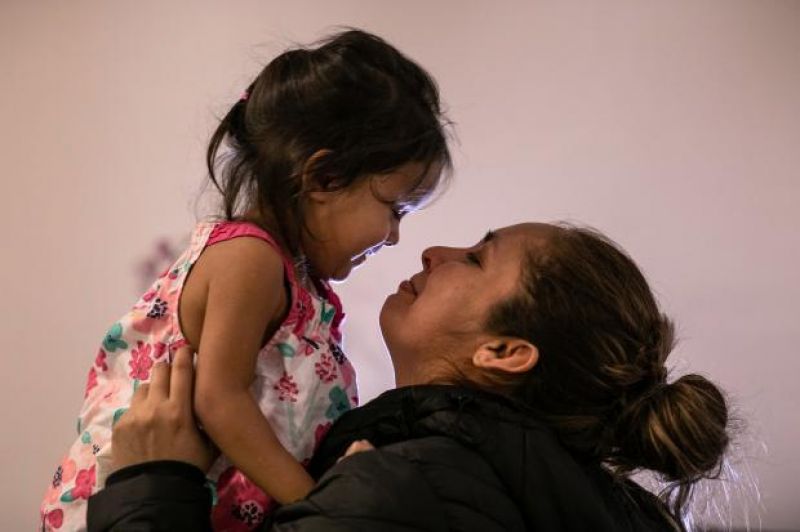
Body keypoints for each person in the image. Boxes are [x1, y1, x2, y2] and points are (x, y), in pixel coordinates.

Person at [40, 29, 451, 532]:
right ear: (322, 179)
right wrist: (323, 503)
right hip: (138, 504)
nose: (392, 237)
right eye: (394, 209)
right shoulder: (249, 258)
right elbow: (219, 399)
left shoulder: (301, 285)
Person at [86, 223, 731, 531]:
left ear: (505, 351)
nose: (433, 251)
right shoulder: (539, 497)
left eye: (476, 259)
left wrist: (153, 484)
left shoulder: (401, 493)